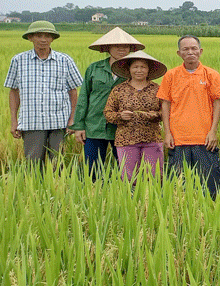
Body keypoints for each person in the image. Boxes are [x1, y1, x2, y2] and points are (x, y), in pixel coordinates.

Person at [70, 26, 145, 178]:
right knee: (92, 171)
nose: (121, 49)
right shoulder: (94, 69)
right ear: (108, 47)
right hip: (94, 126)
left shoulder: (135, 70)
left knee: (127, 171)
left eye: (125, 46)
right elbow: (84, 97)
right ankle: (93, 197)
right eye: (117, 45)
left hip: (124, 128)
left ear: (131, 48)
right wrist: (79, 126)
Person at [158, 35, 220, 197]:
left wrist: (213, 132)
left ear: (200, 51)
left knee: (211, 186)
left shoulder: (211, 74)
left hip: (204, 138)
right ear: (179, 53)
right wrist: (167, 133)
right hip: (178, 138)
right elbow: (165, 104)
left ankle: (211, 214)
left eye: (194, 48)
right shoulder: (171, 75)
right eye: (186, 49)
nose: (190, 52)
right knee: (178, 186)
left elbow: (217, 103)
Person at [5, 20, 83, 163]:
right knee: (33, 164)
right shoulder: (18, 60)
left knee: (58, 163)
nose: (43, 39)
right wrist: (13, 121)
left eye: (47, 36)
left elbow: (73, 91)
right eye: (39, 35)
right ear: (30, 38)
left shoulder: (65, 60)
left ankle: (58, 185)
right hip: (31, 121)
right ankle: (34, 186)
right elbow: (14, 92)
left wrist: (73, 119)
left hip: (59, 121)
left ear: (52, 38)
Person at [104, 51, 166, 181]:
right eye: (135, 67)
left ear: (149, 70)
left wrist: (155, 115)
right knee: (129, 178)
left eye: (143, 67)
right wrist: (120, 116)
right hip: (126, 140)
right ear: (129, 69)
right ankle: (131, 201)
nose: (139, 70)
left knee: (154, 177)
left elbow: (166, 112)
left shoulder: (158, 89)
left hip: (152, 139)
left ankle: (153, 200)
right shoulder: (119, 90)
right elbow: (108, 113)